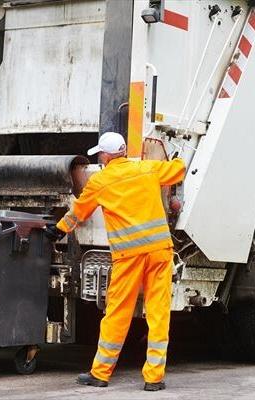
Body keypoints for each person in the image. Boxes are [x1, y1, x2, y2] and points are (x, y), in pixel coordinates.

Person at [45, 131, 185, 391]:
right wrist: (177, 154)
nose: (100, 156)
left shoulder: (101, 181)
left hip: (128, 256)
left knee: (117, 313)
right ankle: (154, 378)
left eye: (100, 153)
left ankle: (100, 374)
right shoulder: (147, 169)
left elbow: (79, 212)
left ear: (107, 155)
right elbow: (178, 170)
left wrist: (58, 229)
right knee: (158, 313)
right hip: (159, 252)